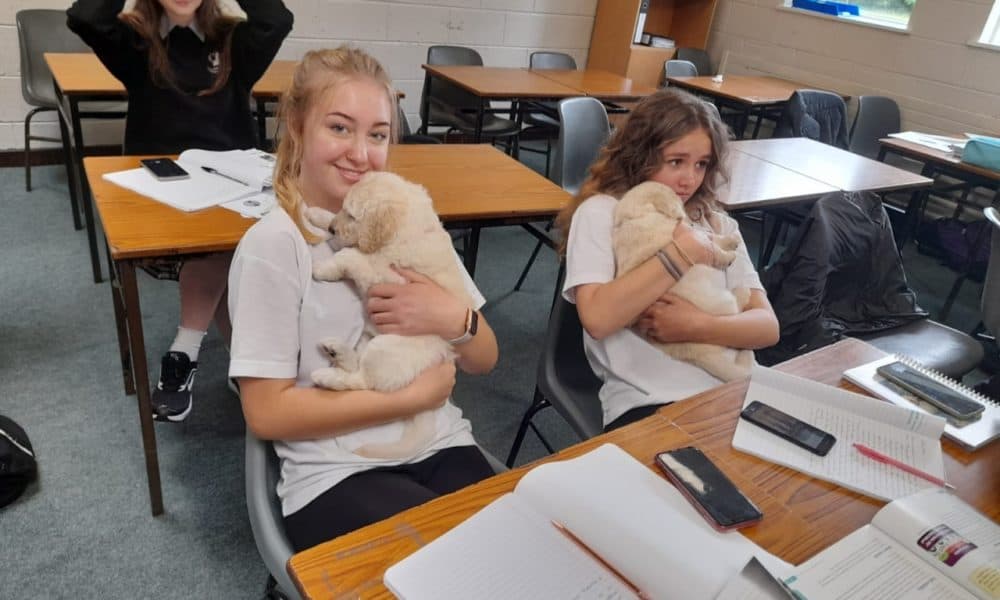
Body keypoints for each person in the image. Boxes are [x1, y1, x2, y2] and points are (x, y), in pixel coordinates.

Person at [227, 47, 500, 551]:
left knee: (515, 556)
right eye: (339, 128)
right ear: (296, 125)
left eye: (377, 135)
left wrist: (452, 317)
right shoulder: (276, 246)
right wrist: (410, 396)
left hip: (437, 441)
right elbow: (266, 414)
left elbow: (486, 357)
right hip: (335, 472)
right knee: (453, 568)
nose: (361, 153)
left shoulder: (406, 218)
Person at [67, 0, 293, 422]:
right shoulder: (135, 41)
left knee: (226, 239)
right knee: (220, 248)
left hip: (231, 184)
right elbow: (84, 16)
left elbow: (277, 18)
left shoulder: (231, 39)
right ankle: (233, 361)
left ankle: (188, 352)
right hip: (160, 190)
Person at [557, 88, 779, 431]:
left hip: (735, 389)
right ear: (640, 155)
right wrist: (681, 253)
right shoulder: (604, 212)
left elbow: (767, 327)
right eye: (676, 161)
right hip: (650, 400)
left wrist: (697, 326)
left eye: (701, 164)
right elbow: (597, 318)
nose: (689, 179)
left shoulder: (716, 222)